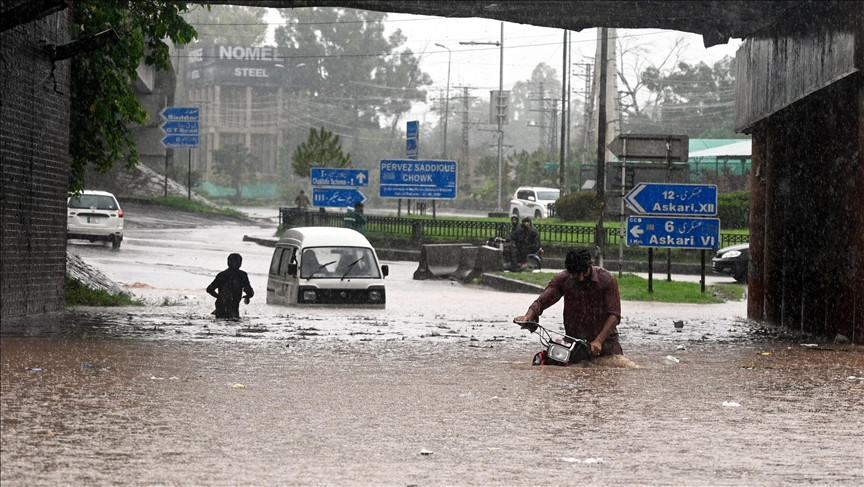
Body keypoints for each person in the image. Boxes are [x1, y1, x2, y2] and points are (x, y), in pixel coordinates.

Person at [514, 247, 622, 364]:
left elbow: (615, 315)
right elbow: (542, 301)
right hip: (575, 346)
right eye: (576, 274)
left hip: (607, 345)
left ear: (591, 264)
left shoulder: (607, 280)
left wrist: (599, 341)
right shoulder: (563, 279)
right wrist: (528, 315)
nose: (581, 278)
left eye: (584, 273)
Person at [206, 253, 254, 319]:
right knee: (233, 322)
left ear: (228, 263)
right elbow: (249, 290)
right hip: (232, 306)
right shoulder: (242, 275)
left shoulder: (222, 275)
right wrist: (248, 296)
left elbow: (209, 289)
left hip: (222, 305)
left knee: (222, 323)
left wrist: (220, 297)